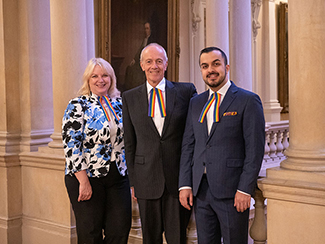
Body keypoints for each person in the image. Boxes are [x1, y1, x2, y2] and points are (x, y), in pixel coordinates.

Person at [179, 47, 265, 244]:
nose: (211, 70)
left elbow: (254, 150)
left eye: (216, 64)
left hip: (233, 192)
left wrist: (245, 189)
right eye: (205, 66)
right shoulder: (196, 102)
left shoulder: (248, 100)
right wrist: (185, 184)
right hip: (201, 192)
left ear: (226, 67)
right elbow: (188, 146)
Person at [122, 43, 197, 244]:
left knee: (177, 239)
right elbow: (129, 143)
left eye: (158, 61)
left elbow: (193, 137)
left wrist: (188, 179)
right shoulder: (129, 98)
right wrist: (133, 182)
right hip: (146, 181)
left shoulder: (186, 92)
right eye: (149, 61)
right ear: (141, 65)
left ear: (166, 64)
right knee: (150, 239)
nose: (154, 66)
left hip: (177, 181)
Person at [62, 58, 131, 244]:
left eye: (105, 75)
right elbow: (71, 145)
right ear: (88, 80)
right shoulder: (77, 105)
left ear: (111, 79)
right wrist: (83, 182)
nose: (101, 80)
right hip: (86, 178)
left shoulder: (120, 103)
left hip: (118, 177)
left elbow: (130, 142)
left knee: (120, 230)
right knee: (90, 234)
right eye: (95, 76)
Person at [124, 22, 156, 91]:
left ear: (150, 29)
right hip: (141, 61)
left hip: (148, 63)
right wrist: (134, 59)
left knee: (135, 73)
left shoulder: (153, 40)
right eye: (144, 28)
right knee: (129, 68)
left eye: (147, 28)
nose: (145, 30)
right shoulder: (144, 39)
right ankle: (129, 89)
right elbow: (140, 52)